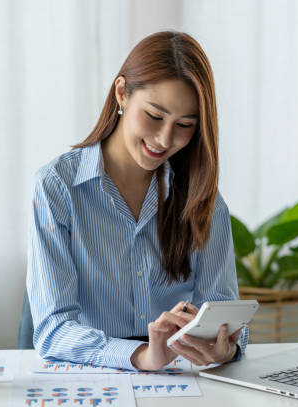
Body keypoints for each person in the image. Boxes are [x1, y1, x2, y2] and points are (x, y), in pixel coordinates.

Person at [27, 31, 247, 371]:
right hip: (94, 379)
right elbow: (52, 331)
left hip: (182, 380)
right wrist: (141, 356)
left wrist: (225, 349)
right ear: (121, 93)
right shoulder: (57, 188)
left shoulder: (202, 197)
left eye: (185, 125)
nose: (164, 139)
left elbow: (226, 316)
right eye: (155, 116)